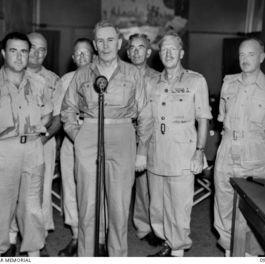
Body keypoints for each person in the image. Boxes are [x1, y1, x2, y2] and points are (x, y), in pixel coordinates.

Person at [60, 20, 152, 257]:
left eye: (110, 40)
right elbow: (68, 109)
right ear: (94, 44)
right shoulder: (82, 74)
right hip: (88, 134)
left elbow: (145, 113)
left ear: (119, 43)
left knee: (119, 208)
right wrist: (78, 136)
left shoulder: (132, 73)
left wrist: (142, 150)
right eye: (100, 40)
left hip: (123, 136)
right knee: (87, 205)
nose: (105, 45)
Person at [0, 32, 52, 257]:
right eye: (13, 51)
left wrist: (36, 135)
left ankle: (34, 255)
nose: (19, 56)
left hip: (33, 151)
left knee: (33, 209)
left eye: (24, 51)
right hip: (1, 152)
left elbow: (48, 115)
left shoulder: (39, 83)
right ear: (4, 53)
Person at [144, 32, 212, 257]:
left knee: (178, 207)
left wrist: (199, 152)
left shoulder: (196, 80)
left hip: (182, 153)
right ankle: (167, 243)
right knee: (157, 207)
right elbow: (144, 119)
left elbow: (203, 118)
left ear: (181, 53)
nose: (169, 54)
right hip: (156, 152)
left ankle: (177, 251)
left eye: (173, 49)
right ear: (159, 54)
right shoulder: (151, 82)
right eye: (164, 50)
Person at [214, 38, 265, 257]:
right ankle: (229, 252)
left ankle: (251, 256)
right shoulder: (229, 82)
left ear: (261, 57)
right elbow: (222, 117)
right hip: (227, 147)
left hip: (255, 151)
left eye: (251, 54)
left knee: (255, 209)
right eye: (242, 55)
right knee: (223, 202)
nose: (245, 59)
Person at [5, 32, 61, 257]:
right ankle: (9, 239)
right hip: (11, 145)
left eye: (43, 49)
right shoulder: (8, 75)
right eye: (33, 48)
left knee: (39, 194)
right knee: (11, 191)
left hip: (42, 143)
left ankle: (37, 241)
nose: (37, 53)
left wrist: (42, 139)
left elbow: (58, 117)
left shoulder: (54, 80)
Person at [57, 38, 95, 257]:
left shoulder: (103, 78)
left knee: (96, 189)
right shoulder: (66, 80)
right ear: (73, 58)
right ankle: (75, 235)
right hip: (71, 140)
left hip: (95, 140)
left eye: (86, 53)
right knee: (70, 187)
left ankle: (97, 237)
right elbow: (60, 112)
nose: (82, 57)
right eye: (78, 54)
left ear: (93, 56)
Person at [126, 33, 162, 246]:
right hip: (123, 133)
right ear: (128, 52)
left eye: (141, 47)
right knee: (116, 184)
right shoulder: (119, 76)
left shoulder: (158, 78)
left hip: (148, 136)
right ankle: (111, 227)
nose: (136, 51)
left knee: (145, 185)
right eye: (132, 48)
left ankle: (145, 227)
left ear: (148, 52)